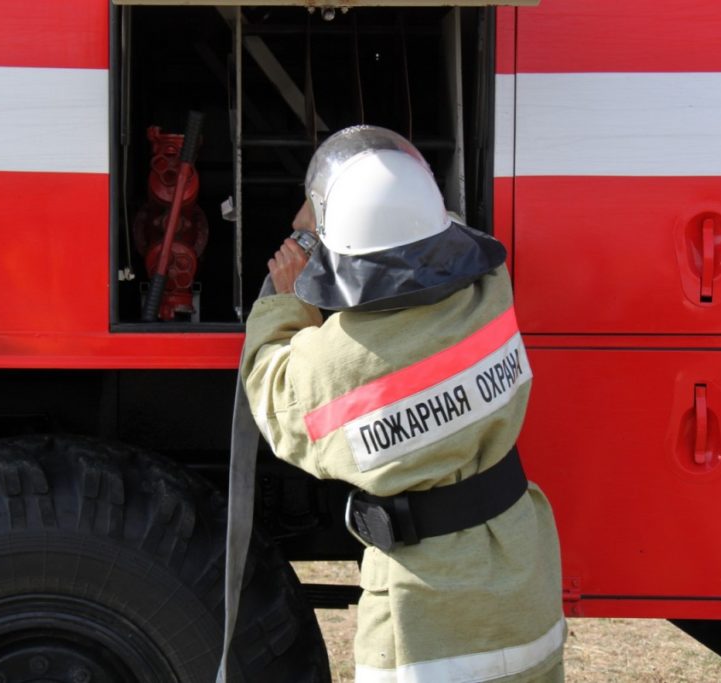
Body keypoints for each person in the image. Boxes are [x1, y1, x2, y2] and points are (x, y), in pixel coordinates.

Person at [241, 125, 564, 682]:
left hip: (426, 620)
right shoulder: (490, 289)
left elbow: (272, 392)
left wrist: (290, 299)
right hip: (522, 575)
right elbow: (434, 231)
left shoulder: (336, 367)